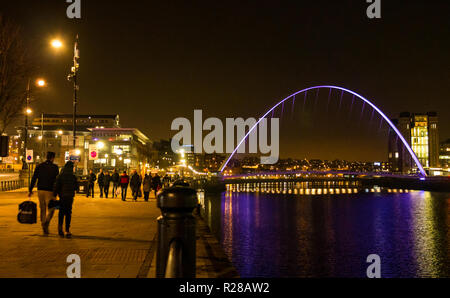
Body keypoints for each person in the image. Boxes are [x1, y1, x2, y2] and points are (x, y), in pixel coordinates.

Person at [28, 151, 59, 235]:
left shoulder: (39, 166)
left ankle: (43, 224)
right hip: (50, 191)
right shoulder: (55, 167)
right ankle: (47, 222)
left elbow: (34, 178)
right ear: (52, 158)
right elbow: (57, 181)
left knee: (43, 209)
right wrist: (57, 192)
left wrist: (30, 189)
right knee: (52, 209)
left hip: (40, 190)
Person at [53, 161, 79, 238]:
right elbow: (76, 188)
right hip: (70, 197)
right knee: (68, 213)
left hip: (62, 196)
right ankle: (67, 230)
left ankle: (60, 228)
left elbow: (57, 186)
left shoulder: (60, 176)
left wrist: (55, 194)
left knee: (61, 212)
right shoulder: (73, 177)